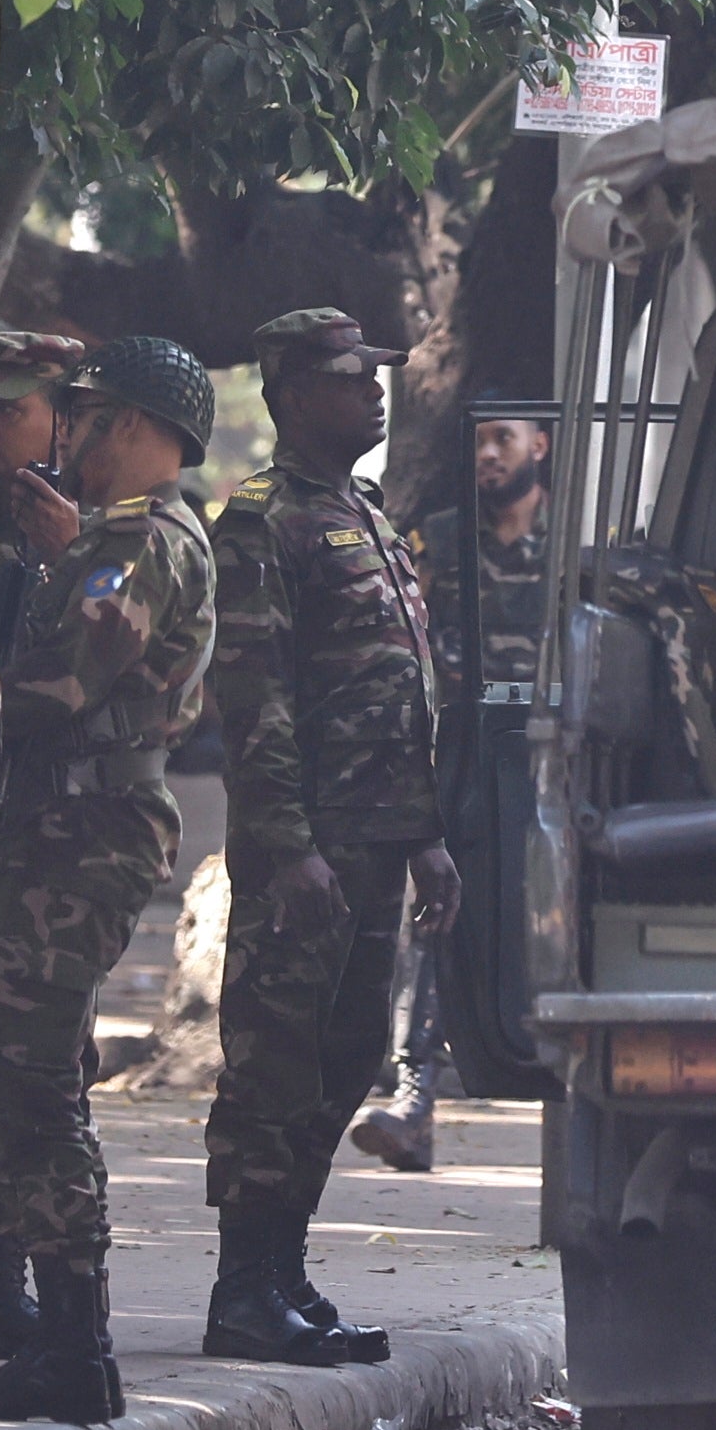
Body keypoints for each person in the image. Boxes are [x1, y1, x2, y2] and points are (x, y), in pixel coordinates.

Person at [0, 336, 217, 1424]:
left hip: (84, 829)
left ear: (149, 430)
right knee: (29, 1065)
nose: (83, 439)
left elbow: (57, 687)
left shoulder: (138, 543)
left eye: (101, 421)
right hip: (64, 824)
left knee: (31, 1079)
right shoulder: (119, 537)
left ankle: (74, 1342)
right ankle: (54, 1327)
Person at [202, 312, 457, 1368]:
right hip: (304, 851)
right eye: (357, 378)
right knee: (275, 1065)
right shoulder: (264, 524)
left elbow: (403, 693)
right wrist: (288, 844)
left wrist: (425, 837)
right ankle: (242, 1284)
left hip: (376, 843)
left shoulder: (363, 512)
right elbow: (253, 702)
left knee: (348, 1055)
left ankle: (285, 1267)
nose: (377, 394)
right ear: (297, 393)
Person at [357, 407, 549, 1176]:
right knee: (439, 909)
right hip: (465, 752)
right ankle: (416, 1097)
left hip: (551, 757)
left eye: (505, 436)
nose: (488, 453)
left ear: (542, 444)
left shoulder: (576, 543)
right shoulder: (438, 538)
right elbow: (398, 633)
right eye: (478, 439)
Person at [0, 326, 92, 1357]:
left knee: (34, 1058)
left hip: (37, 833)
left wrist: (70, 557)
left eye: (15, 406)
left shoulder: (81, 531)